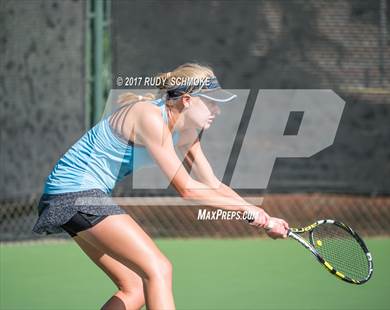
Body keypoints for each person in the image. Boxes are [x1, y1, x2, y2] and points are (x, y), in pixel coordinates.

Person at [32, 63, 289, 310]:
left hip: (71, 196)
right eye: (211, 102)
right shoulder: (149, 116)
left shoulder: (187, 130)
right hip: (75, 194)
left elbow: (212, 183)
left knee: (135, 290)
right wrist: (250, 214)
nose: (216, 110)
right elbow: (187, 189)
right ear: (187, 100)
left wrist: (262, 216)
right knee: (159, 269)